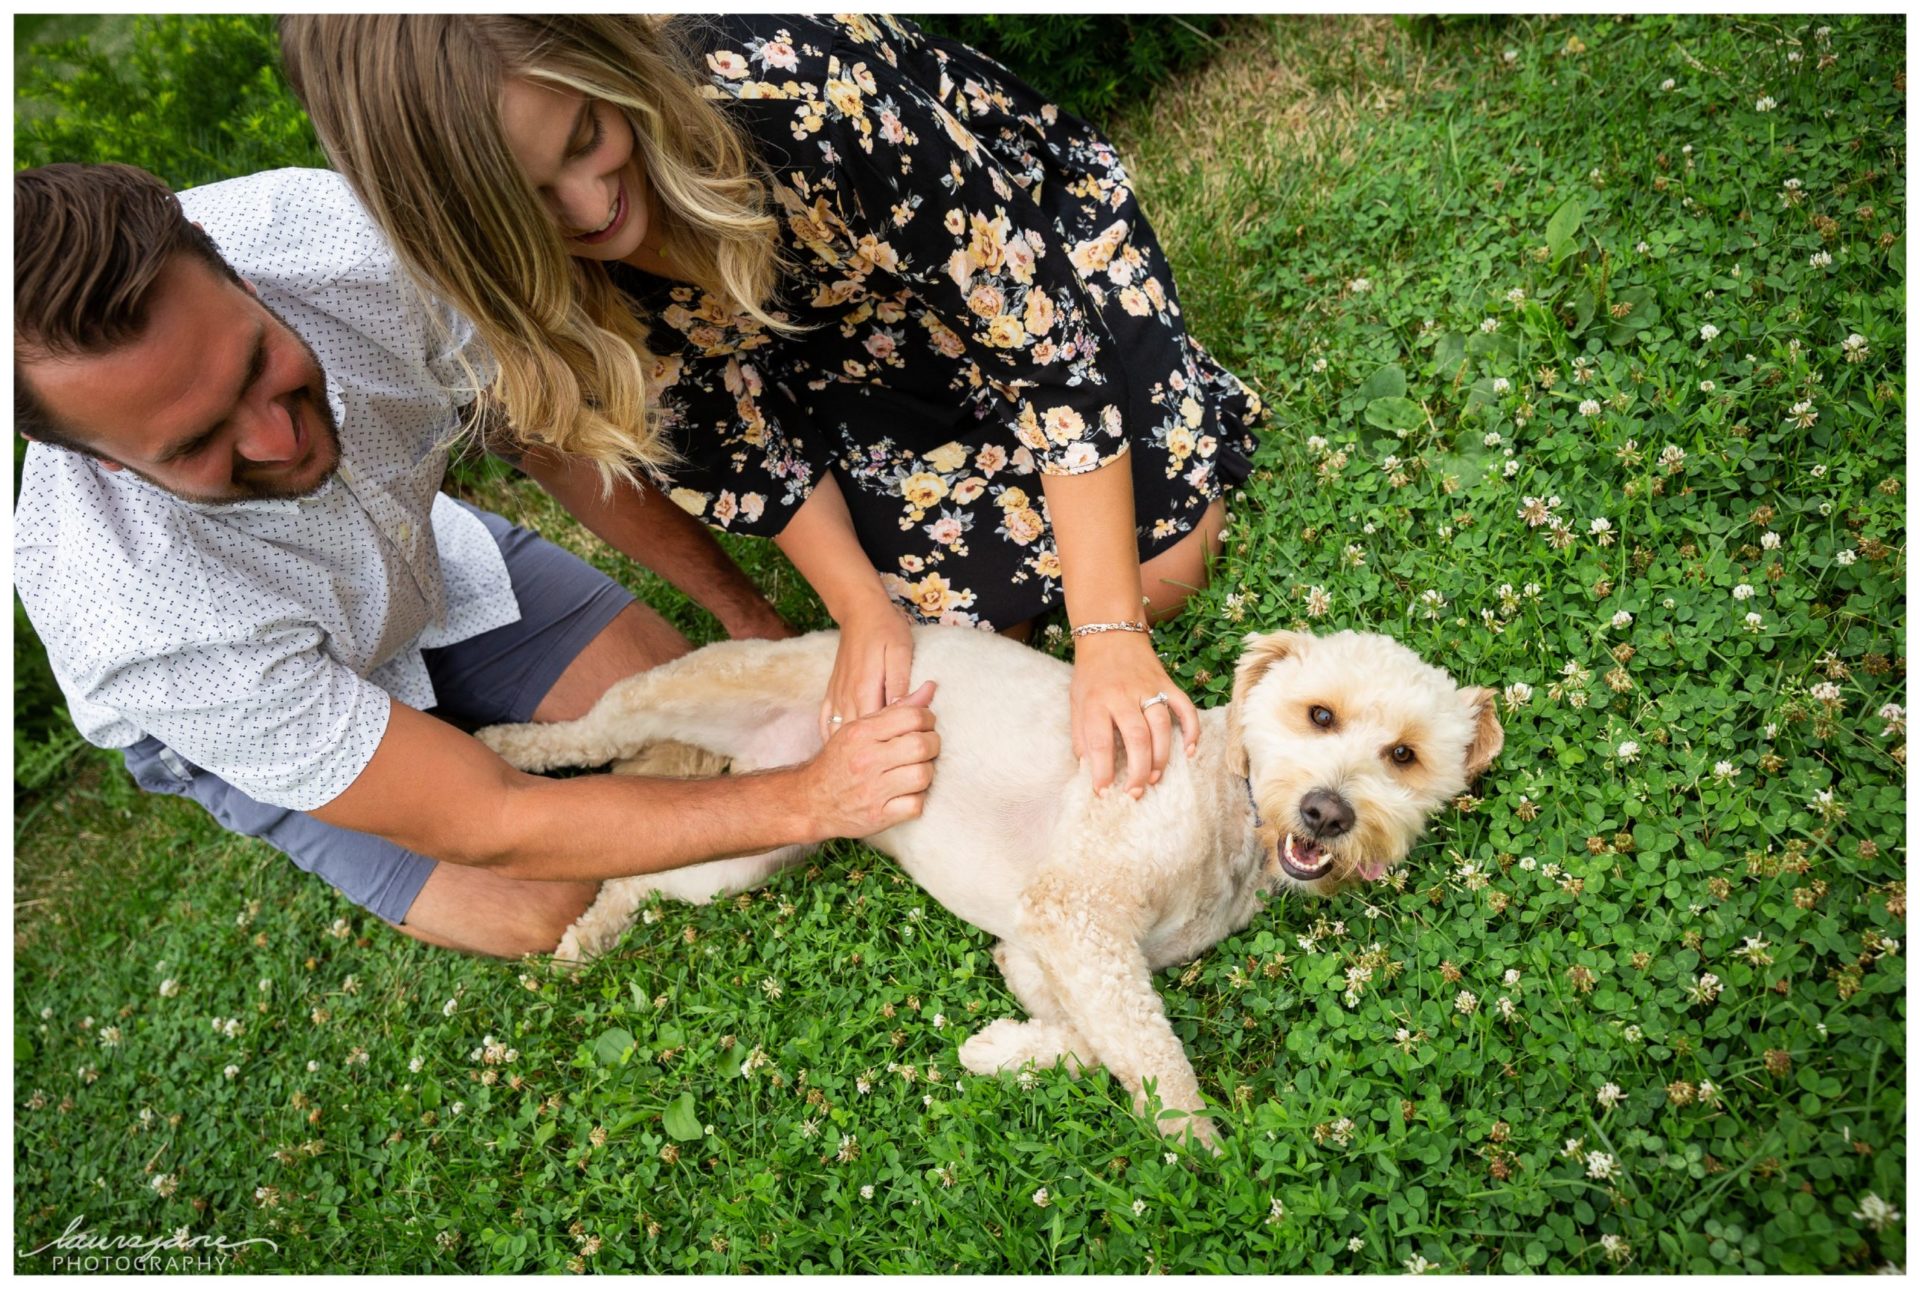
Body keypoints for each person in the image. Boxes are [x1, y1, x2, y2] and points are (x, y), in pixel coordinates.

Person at [279, 14, 1265, 801]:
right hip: (822, 357)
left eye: (587, 136)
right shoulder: (532, 283)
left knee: (1159, 577)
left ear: (608, 62)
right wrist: (861, 609)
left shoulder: (789, 83)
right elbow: (731, 442)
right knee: (941, 648)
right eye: (533, 208)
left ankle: (1162, 426)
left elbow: (1040, 338)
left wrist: (1110, 640)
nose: (589, 209)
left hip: (1008, 270)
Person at [12, 162, 941, 958]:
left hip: (428, 565)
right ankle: (361, 782)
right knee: (544, 906)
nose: (275, 436)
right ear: (98, 457)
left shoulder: (344, 239)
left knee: (700, 737)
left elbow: (550, 432)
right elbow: (493, 823)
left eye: (259, 363)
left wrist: (752, 628)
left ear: (236, 267)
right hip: (254, 690)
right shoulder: (140, 624)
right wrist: (813, 797)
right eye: (196, 443)